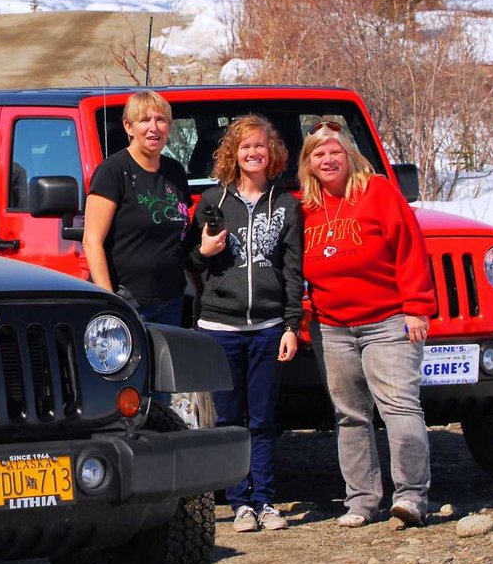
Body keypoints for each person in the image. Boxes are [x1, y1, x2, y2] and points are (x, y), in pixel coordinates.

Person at [298, 121, 437, 529]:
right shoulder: (304, 206)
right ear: (308, 163)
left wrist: (416, 307)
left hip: (388, 320)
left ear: (349, 155)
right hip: (332, 327)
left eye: (334, 152)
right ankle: (361, 500)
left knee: (399, 406)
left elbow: (409, 247)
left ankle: (411, 497)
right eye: (318, 154)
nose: (327, 159)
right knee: (349, 415)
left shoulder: (377, 191)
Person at [187, 115, 303, 533]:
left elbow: (292, 270)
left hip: (269, 327)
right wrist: (204, 249)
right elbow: (194, 261)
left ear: (272, 154)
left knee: (264, 419)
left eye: (261, 146)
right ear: (232, 154)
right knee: (229, 419)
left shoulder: (286, 204)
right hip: (220, 328)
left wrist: (291, 324)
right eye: (245, 146)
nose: (253, 153)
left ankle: (266, 500)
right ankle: (239, 503)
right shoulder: (212, 203)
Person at [83, 90, 191, 328]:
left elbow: (182, 237)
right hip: (126, 300)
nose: (154, 128)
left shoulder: (174, 172)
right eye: (144, 120)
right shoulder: (113, 171)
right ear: (129, 127)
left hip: (170, 299)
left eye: (161, 120)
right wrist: (109, 301)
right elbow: (92, 241)